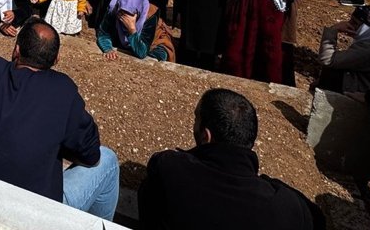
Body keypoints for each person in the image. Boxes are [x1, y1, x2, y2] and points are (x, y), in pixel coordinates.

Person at [0, 18, 119, 220]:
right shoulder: (62, 90)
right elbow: (91, 154)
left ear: (17, 50)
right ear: (56, 59)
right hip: (30, 217)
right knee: (108, 160)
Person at [138, 88, 324, 230]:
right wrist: (270, 183)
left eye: (196, 118)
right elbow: (317, 219)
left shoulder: (171, 169)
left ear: (205, 136)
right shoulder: (284, 207)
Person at [317, 5, 370, 93]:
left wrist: (333, 29)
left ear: (367, 29)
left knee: (330, 73)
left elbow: (327, 59)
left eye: (354, 23)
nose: (348, 24)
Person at [96, 0, 174, 61]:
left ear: (138, 12)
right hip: (123, 40)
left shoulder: (150, 14)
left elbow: (142, 53)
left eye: (129, 14)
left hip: (153, 42)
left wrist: (132, 30)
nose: (125, 18)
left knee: (158, 55)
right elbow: (103, 34)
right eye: (122, 13)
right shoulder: (114, 8)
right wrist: (108, 49)